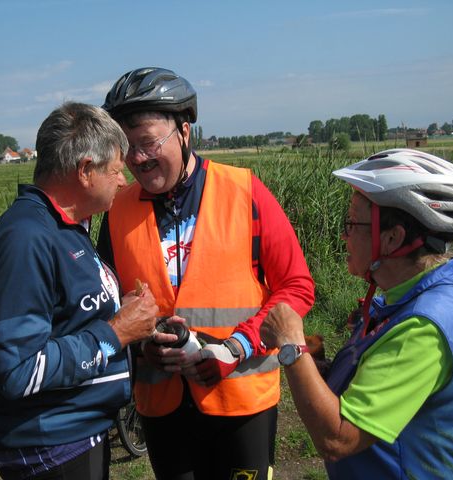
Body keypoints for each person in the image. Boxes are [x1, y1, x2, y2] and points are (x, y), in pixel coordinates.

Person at [97, 67, 315, 480]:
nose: (137, 159)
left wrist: (235, 346)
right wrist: (141, 345)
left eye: (147, 144)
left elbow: (296, 285)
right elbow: (104, 302)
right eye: (127, 148)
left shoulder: (245, 191)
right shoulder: (116, 210)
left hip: (242, 399)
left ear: (184, 131)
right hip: (161, 406)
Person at [261, 148, 453, 479]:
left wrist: (291, 347)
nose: (343, 235)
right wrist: (322, 370)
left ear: (393, 238)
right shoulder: (428, 299)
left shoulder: (421, 329)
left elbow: (338, 438)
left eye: (352, 223)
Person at [0, 101, 159, 480]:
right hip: (51, 445)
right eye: (115, 170)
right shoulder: (27, 239)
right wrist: (116, 333)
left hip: (74, 432)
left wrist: (118, 316)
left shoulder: (65, 226)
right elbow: (21, 370)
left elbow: (68, 316)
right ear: (86, 170)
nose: (124, 181)